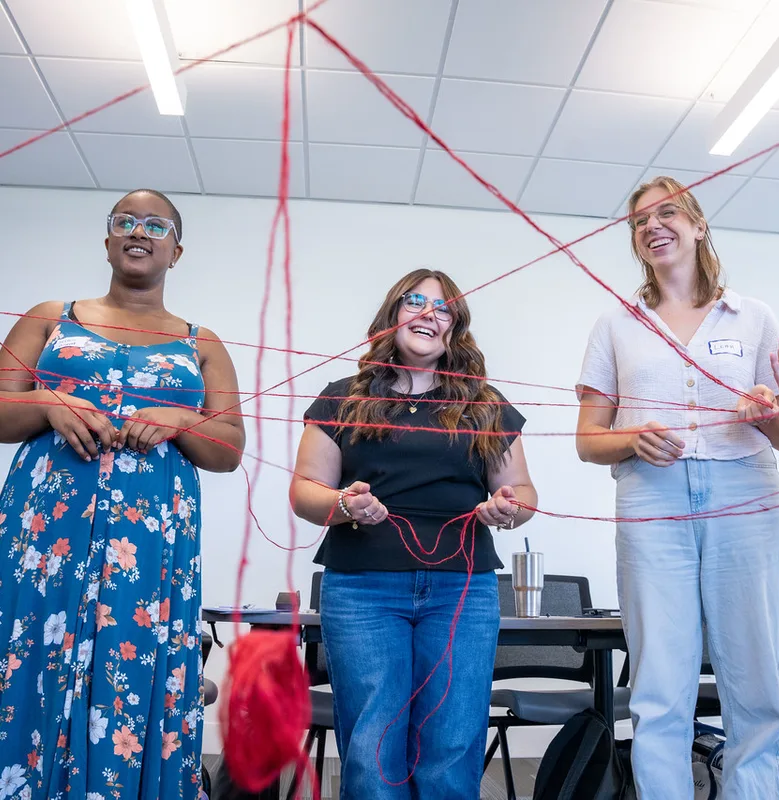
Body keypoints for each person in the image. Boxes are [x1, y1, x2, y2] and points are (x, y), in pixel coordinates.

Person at [0, 189, 244, 798]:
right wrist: (48, 402)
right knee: (29, 657)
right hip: (45, 535)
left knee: (131, 661)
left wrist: (178, 419)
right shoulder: (49, 318)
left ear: (176, 251)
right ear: (108, 240)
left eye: (156, 225)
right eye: (125, 222)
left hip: (149, 542)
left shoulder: (201, 342)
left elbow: (230, 448)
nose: (140, 231)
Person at [576, 176, 779, 799]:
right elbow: (588, 439)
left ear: (698, 225)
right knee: (659, 688)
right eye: (640, 221)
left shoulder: (753, 317)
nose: (652, 226)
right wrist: (629, 439)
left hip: (746, 497)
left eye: (667, 212)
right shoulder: (615, 325)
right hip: (653, 499)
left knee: (754, 686)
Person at [290, 268, 537, 799]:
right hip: (362, 590)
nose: (428, 313)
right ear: (392, 315)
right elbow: (305, 493)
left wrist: (506, 509)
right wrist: (343, 504)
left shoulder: (484, 404)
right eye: (414, 301)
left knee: (452, 737)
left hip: (461, 590)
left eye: (442, 308)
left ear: (455, 329)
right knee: (374, 741)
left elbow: (521, 493)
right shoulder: (340, 399)